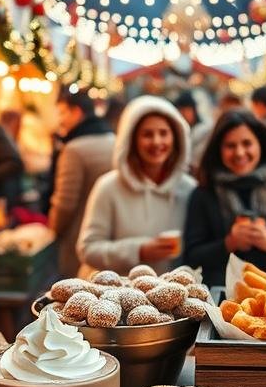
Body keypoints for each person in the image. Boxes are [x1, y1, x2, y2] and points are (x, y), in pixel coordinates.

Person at [183, 110, 266, 287]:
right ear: (218, 149)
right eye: (230, 146)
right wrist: (229, 243)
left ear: (260, 145)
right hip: (220, 297)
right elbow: (191, 257)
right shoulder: (203, 193)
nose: (240, 152)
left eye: (247, 143)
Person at [77, 96, 195, 275]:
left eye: (163, 133)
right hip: (113, 296)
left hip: (169, 298)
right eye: (147, 134)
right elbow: (87, 249)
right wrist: (138, 250)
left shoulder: (189, 189)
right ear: (131, 140)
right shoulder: (107, 186)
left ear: (176, 138)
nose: (156, 142)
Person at [48, 89, 116, 278]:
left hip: (79, 243)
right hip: (111, 239)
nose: (60, 120)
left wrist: (53, 230)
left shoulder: (74, 150)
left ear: (77, 112)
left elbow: (65, 204)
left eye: (62, 113)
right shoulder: (114, 141)